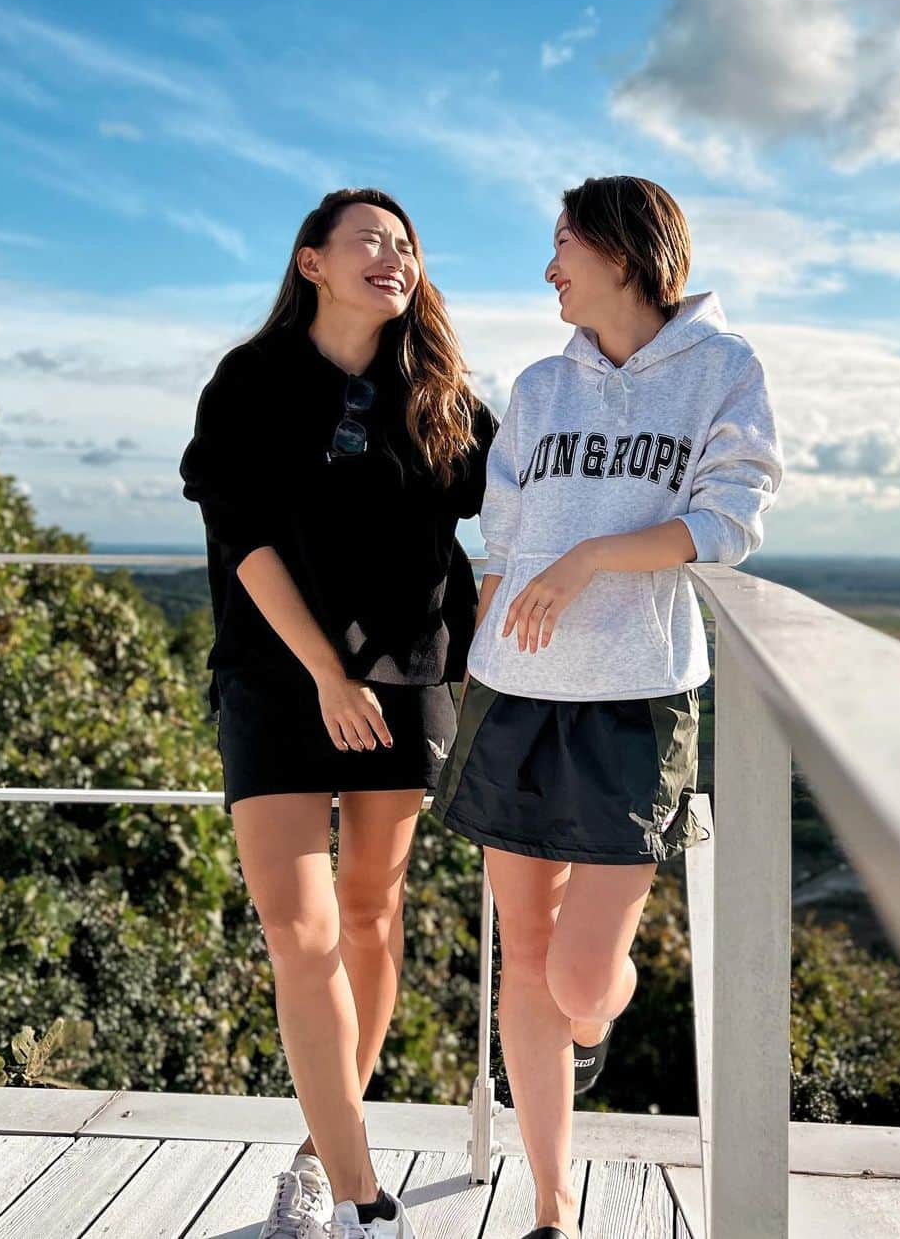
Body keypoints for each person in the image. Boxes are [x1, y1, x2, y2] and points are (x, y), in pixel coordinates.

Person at [430, 175, 785, 1239]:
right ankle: (551, 1203)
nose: (549, 269)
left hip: (638, 699)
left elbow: (731, 517)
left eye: (563, 248)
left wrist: (590, 558)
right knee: (520, 953)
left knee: (580, 976)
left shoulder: (724, 370)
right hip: (515, 694)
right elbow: (502, 528)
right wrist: (483, 635)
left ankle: (593, 1027)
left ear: (624, 254)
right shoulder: (541, 385)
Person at [180, 188, 497, 1239]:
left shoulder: (438, 390)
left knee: (369, 912)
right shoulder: (253, 380)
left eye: (406, 244)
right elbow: (245, 540)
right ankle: (363, 1198)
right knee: (298, 931)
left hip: (408, 683)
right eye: (370, 238)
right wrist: (324, 671)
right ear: (310, 261)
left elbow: (529, 499)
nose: (393, 256)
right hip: (278, 681)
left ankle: (323, 1152)